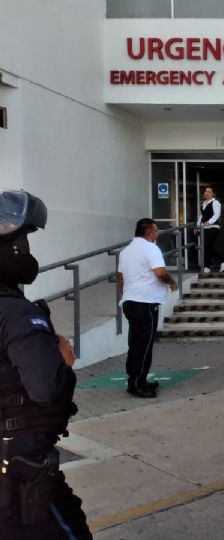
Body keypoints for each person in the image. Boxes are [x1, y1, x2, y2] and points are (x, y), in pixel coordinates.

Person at [0, 188, 92, 539]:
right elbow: (47, 389)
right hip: (21, 478)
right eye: (24, 242)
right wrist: (63, 362)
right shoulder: (16, 313)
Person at [118, 218, 178, 398]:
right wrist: (172, 282)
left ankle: (135, 380)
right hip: (146, 303)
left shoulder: (126, 251)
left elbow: (120, 277)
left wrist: (125, 294)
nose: (158, 233)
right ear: (150, 232)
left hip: (130, 301)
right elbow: (160, 272)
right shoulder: (151, 248)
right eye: (157, 230)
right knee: (144, 344)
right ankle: (139, 383)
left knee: (135, 343)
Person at [198, 186, 224, 273]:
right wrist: (198, 225)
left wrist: (209, 222)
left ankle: (207, 266)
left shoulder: (215, 203)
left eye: (209, 192)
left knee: (207, 246)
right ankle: (223, 261)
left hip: (213, 227)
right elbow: (202, 216)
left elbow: (216, 214)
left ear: (213, 194)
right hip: (204, 228)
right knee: (207, 247)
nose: (207, 193)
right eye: (205, 191)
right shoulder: (204, 203)